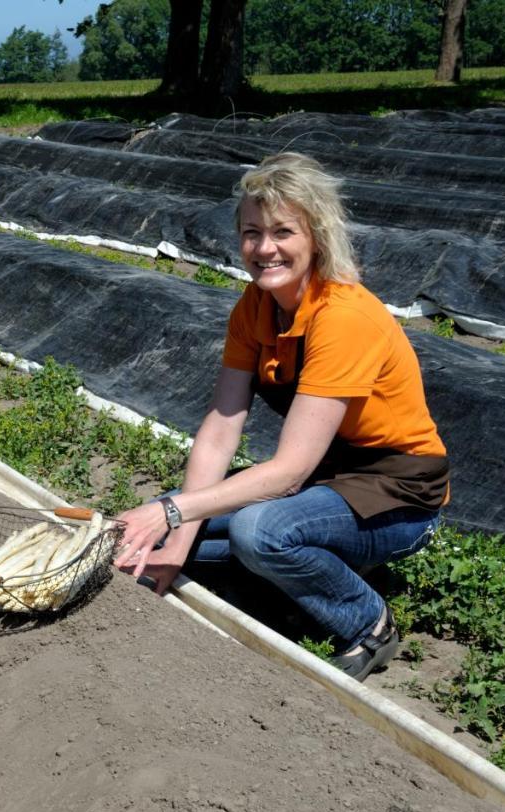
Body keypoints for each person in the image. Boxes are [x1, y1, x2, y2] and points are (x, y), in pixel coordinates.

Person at [111, 152, 448, 682]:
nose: (264, 249)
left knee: (257, 531)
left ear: (316, 236)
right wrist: (173, 539)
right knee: (151, 534)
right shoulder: (256, 307)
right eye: (251, 232)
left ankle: (368, 622)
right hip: (328, 479)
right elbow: (221, 429)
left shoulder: (343, 318)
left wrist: (177, 513)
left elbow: (288, 471)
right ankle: (281, 576)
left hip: (398, 494)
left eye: (282, 232)